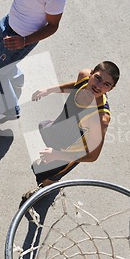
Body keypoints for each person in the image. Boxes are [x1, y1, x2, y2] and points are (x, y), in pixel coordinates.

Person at [25, 61, 120, 196]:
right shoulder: (84, 76)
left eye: (106, 84)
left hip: (68, 152)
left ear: (111, 89)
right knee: (43, 127)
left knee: (47, 178)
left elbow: (93, 156)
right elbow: (76, 85)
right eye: (98, 78)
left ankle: (42, 192)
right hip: (56, 130)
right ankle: (47, 166)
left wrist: (57, 155)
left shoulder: (100, 118)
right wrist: (50, 90)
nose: (98, 86)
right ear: (91, 73)